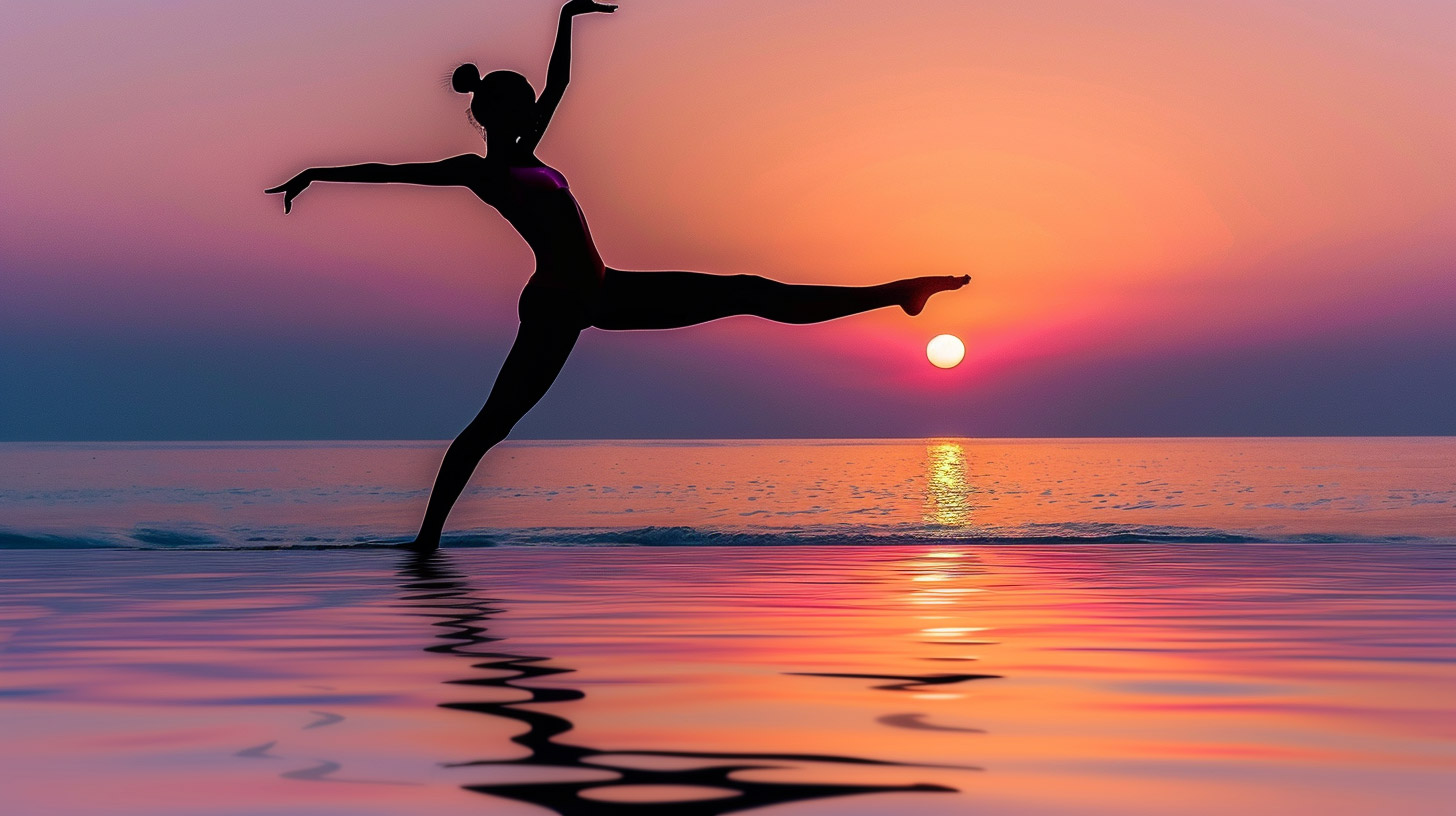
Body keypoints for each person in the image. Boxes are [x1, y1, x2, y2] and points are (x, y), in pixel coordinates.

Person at [267, 1, 970, 551]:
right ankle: (427, 541)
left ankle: (897, 294)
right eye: (515, 104)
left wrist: (568, 19)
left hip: (608, 288)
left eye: (526, 104)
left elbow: (562, 82)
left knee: (747, 290)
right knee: (490, 426)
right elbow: (389, 172)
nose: (529, 108)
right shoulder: (478, 172)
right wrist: (316, 172)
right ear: (490, 113)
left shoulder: (532, 151)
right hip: (555, 305)